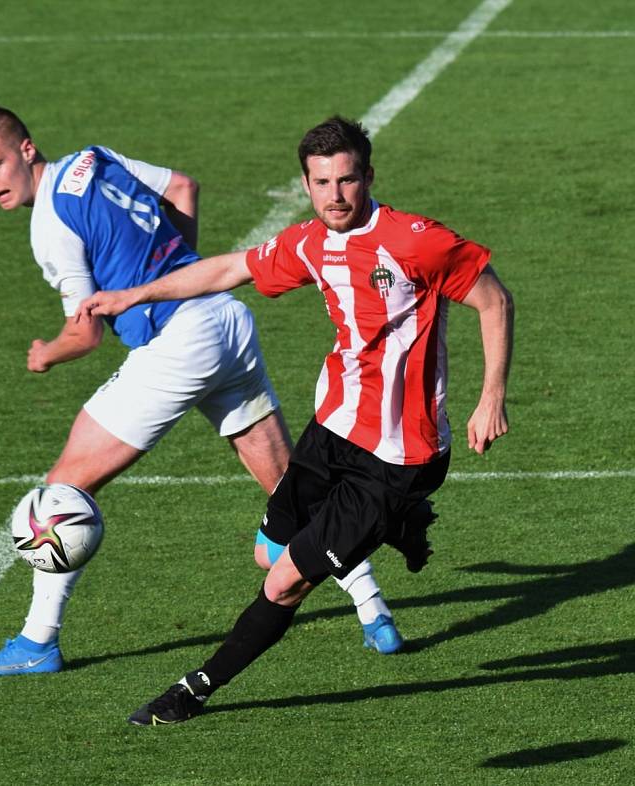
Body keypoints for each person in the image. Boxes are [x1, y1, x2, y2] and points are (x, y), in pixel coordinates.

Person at [77, 115, 514, 724]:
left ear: (368, 177)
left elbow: (493, 299)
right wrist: (131, 296)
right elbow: (229, 269)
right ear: (306, 185)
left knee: (282, 582)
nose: (336, 195)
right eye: (322, 182)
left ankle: (193, 689)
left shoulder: (416, 240)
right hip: (332, 428)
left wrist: (491, 394)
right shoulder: (310, 242)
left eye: (348, 179)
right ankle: (402, 526)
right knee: (267, 552)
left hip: (395, 459)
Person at [0, 108, 402, 678]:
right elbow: (184, 187)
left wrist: (47, 352)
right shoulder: (93, 159)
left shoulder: (49, 226)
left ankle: (38, 641)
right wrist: (177, 272)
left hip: (178, 342)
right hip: (225, 319)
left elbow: (85, 331)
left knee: (62, 492)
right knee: (289, 488)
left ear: (26, 149)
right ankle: (373, 610)